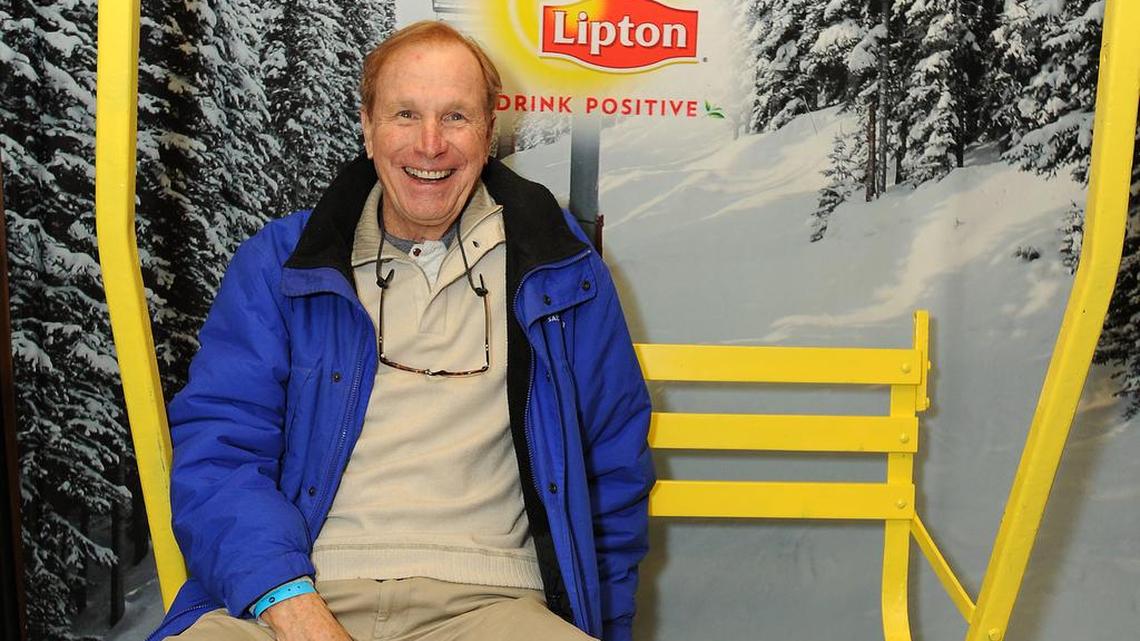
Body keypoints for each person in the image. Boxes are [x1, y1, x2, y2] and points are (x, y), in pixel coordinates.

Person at [147, 20, 654, 641]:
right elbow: (220, 451)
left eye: (457, 117)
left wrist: (606, 626)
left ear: (490, 131)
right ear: (367, 127)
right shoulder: (282, 265)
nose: (430, 144)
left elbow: (612, 468)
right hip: (295, 594)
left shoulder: (561, 270)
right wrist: (288, 601)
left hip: (493, 603)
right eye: (406, 114)